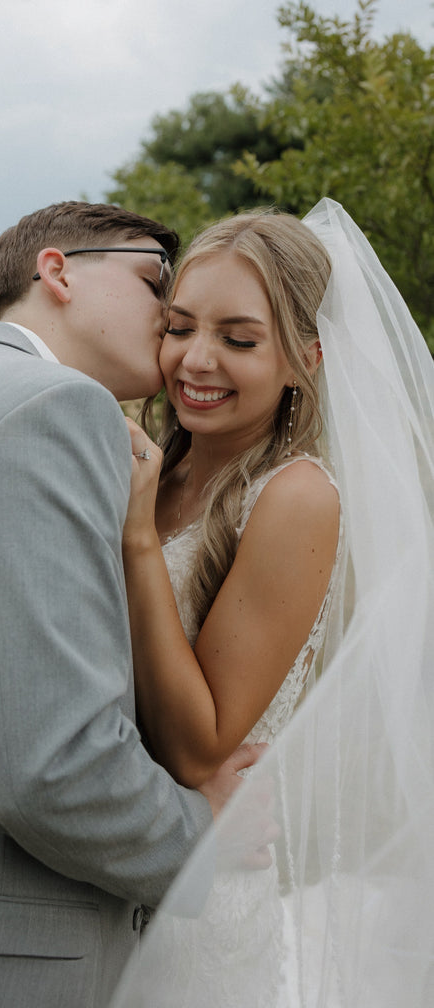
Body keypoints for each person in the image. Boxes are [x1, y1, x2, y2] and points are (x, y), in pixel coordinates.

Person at [0, 201, 265, 1008]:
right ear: (57, 271)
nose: (172, 312)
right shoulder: (49, 408)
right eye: (152, 280)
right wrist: (204, 832)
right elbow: (48, 769)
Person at [110, 199, 434, 1007]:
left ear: (306, 358)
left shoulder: (294, 498)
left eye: (239, 339)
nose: (195, 360)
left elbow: (198, 749)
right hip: (110, 871)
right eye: (179, 327)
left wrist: (138, 543)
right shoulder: (158, 472)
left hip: (197, 910)